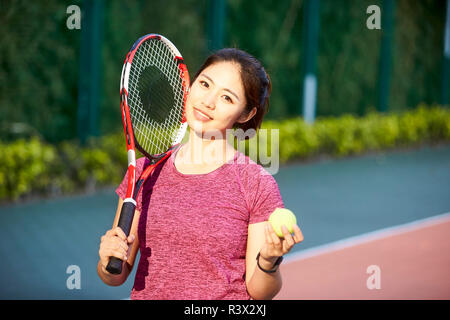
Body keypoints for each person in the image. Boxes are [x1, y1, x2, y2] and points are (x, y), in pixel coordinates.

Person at [97, 48, 303, 300]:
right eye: (205, 84)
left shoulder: (256, 183)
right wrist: (108, 258)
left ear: (246, 114)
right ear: (190, 85)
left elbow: (260, 292)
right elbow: (114, 275)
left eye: (227, 98)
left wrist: (269, 259)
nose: (208, 101)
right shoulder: (143, 173)